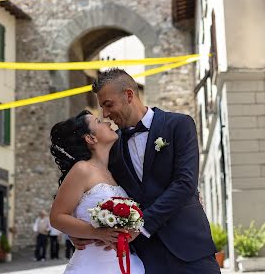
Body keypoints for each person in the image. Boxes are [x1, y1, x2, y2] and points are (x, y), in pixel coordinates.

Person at [71, 68, 220, 274]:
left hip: (189, 247)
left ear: (129, 95)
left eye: (108, 104)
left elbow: (185, 183)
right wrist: (82, 230)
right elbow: (92, 187)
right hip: (144, 257)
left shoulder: (179, 124)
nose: (105, 114)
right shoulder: (112, 146)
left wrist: (140, 226)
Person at [49, 110, 145, 274]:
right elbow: (57, 217)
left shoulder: (113, 172)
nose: (107, 122)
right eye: (99, 122)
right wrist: (97, 233)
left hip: (125, 262)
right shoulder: (82, 169)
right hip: (93, 265)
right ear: (90, 138)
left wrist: (132, 229)